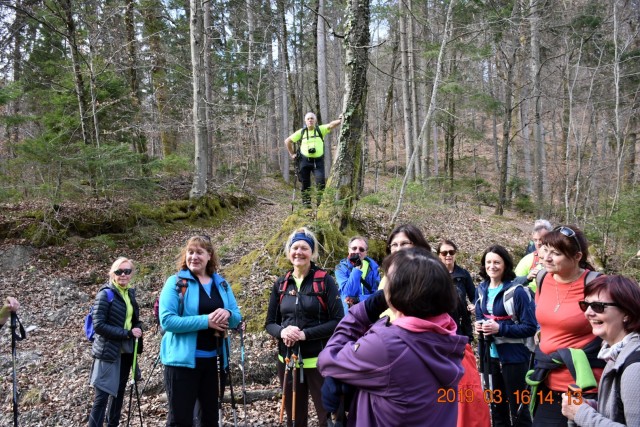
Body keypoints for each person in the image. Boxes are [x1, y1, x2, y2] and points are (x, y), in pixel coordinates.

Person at [318, 247, 466, 426]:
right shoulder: (447, 333)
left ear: (396, 292)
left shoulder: (388, 345)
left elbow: (328, 359)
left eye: (388, 280)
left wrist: (364, 311)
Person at [158, 235, 242, 427]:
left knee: (210, 419)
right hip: (181, 364)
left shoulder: (221, 283)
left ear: (209, 256)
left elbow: (237, 316)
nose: (194, 257)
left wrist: (227, 312)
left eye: (199, 252)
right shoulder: (176, 282)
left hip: (212, 361)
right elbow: (167, 321)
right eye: (190, 252)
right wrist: (207, 321)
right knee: (181, 420)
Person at [265, 227, 344, 427]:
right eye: (295, 247)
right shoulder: (281, 283)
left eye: (304, 248)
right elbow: (269, 323)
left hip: (320, 362)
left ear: (312, 252)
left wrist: (304, 335)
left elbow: (338, 321)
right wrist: (283, 331)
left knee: (328, 417)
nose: (299, 252)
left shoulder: (325, 280)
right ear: (289, 251)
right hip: (288, 361)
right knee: (294, 419)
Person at [529, 225, 604, 427]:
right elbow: (548, 317)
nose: (547, 258)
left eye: (556, 253)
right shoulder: (543, 278)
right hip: (545, 379)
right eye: (545, 250)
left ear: (577, 256)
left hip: (582, 385)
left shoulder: (596, 285)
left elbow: (615, 327)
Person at [561, 275, 640, 426]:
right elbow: (621, 413)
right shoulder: (616, 353)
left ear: (627, 313)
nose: (588, 313)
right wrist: (590, 407)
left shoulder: (634, 367)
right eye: (586, 305)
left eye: (598, 306)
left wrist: (581, 414)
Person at [475, 245, 536, 427]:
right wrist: (480, 326)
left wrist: (499, 329)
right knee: (496, 408)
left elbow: (530, 327)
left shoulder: (517, 292)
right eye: (488, 262)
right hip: (489, 358)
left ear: (505, 265)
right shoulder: (481, 290)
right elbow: (480, 317)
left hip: (515, 359)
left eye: (497, 262)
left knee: (518, 410)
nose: (492, 266)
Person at [89, 257, 143, 427]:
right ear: (113, 274)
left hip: (126, 351)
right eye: (119, 271)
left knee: (119, 393)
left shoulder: (129, 293)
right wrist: (127, 333)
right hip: (108, 351)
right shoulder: (105, 294)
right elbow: (99, 325)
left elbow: (131, 320)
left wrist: (138, 327)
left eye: (127, 271)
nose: (123, 275)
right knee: (102, 397)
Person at [285, 112, 342, 207]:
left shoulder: (320, 129)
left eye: (312, 118)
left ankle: (320, 206)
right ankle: (306, 205)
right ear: (305, 121)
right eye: (308, 119)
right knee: (305, 183)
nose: (310, 120)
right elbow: (287, 141)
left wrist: (340, 121)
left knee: (321, 183)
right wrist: (292, 154)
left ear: (315, 120)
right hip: (304, 161)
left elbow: (331, 125)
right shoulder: (302, 132)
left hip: (318, 161)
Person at [334, 235, 381, 313]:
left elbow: (378, 295)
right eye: (354, 248)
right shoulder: (341, 268)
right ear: (348, 250)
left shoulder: (373, 268)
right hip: (349, 312)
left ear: (366, 253)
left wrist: (359, 299)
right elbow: (348, 293)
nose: (357, 251)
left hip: (368, 310)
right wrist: (357, 268)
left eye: (361, 249)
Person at [437, 239, 476, 313]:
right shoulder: (433, 275)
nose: (448, 255)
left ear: (455, 254)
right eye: (444, 253)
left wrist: (473, 305)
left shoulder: (464, 274)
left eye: (451, 252)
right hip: (441, 320)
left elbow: (474, 296)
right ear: (439, 255)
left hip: (462, 320)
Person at [515, 220, 553, 292]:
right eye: (535, 240)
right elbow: (514, 281)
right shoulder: (528, 259)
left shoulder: (559, 259)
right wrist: (527, 278)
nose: (538, 243)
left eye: (541, 240)